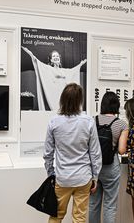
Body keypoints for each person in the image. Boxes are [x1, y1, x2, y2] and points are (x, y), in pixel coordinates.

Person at [43, 83, 102, 223]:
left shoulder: (54, 122)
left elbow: (48, 153)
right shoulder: (88, 121)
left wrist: (51, 173)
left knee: (55, 216)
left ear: (62, 99)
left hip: (62, 178)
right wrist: (95, 176)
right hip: (83, 178)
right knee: (79, 218)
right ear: (80, 100)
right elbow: (95, 152)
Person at [89, 92, 128, 223]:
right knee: (110, 205)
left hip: (94, 167)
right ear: (116, 106)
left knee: (93, 204)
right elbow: (122, 151)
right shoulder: (122, 124)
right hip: (111, 168)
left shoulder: (92, 120)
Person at [21, 46, 87, 111]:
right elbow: (37, 62)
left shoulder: (65, 71)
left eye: (57, 56)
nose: (56, 58)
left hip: (63, 96)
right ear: (51, 60)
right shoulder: (48, 69)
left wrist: (80, 64)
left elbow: (73, 72)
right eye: (54, 56)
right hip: (53, 97)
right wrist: (30, 54)